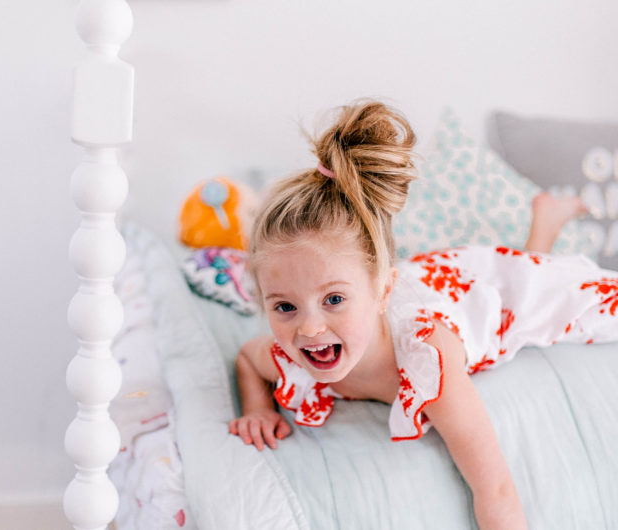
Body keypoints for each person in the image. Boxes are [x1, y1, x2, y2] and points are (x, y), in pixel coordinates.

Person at [227, 100, 618, 529]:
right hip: (421, 279)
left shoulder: (427, 357)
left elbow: (496, 488)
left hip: (466, 290)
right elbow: (248, 357)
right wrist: (257, 407)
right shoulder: (289, 353)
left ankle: (544, 224)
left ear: (383, 291)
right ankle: (543, 223)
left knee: (540, 294)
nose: (309, 328)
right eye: (284, 307)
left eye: (334, 300)